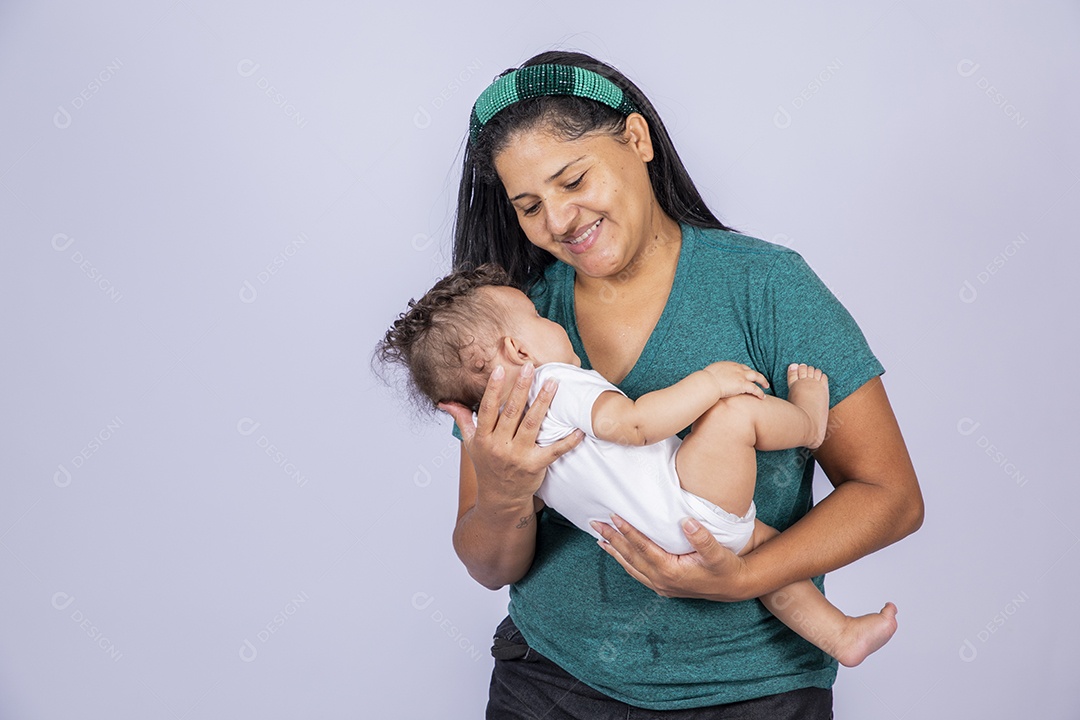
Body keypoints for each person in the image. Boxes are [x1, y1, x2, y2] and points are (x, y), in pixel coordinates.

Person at [439, 52, 923, 717]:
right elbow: (490, 565)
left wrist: (743, 577)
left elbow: (891, 497)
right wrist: (503, 490)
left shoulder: (767, 286)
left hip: (754, 692)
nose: (556, 219)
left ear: (637, 141)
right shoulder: (515, 332)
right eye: (529, 205)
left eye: (573, 179)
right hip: (552, 684)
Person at [378, 263, 898, 669]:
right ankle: (809, 422)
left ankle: (841, 635)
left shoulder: (506, 442)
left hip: (652, 539)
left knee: (760, 552)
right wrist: (710, 384)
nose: (551, 321)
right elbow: (633, 425)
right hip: (689, 502)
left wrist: (504, 491)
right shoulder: (554, 386)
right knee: (737, 415)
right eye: (540, 320)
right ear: (518, 349)